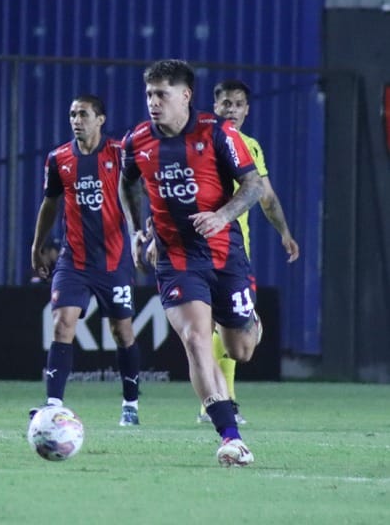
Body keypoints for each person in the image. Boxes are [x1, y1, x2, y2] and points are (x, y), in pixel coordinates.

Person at [119, 59, 264, 466]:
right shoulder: (137, 141)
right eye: (149, 94)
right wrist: (135, 230)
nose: (153, 102)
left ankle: (249, 318)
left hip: (224, 252)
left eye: (161, 94)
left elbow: (253, 186)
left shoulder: (218, 134)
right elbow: (127, 182)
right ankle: (229, 436)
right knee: (197, 339)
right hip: (176, 257)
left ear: (185, 95)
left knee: (241, 348)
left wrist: (221, 216)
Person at [30, 94, 142, 427]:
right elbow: (50, 203)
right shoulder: (59, 158)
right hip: (73, 260)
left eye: (83, 114)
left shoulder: (120, 154)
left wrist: (141, 234)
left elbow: (138, 195)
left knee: (122, 331)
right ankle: (53, 404)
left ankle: (130, 404)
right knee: (63, 323)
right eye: (72, 114)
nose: (76, 120)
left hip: (114, 260)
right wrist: (37, 245)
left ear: (101, 119)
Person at [193, 79, 301, 424]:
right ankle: (219, 402)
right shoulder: (199, 142)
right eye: (226, 103)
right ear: (215, 106)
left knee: (229, 336)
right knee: (203, 327)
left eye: (238, 104)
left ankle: (222, 397)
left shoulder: (250, 146)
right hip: (194, 248)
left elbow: (265, 195)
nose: (232, 110)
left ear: (247, 110)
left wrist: (284, 231)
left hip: (233, 250)